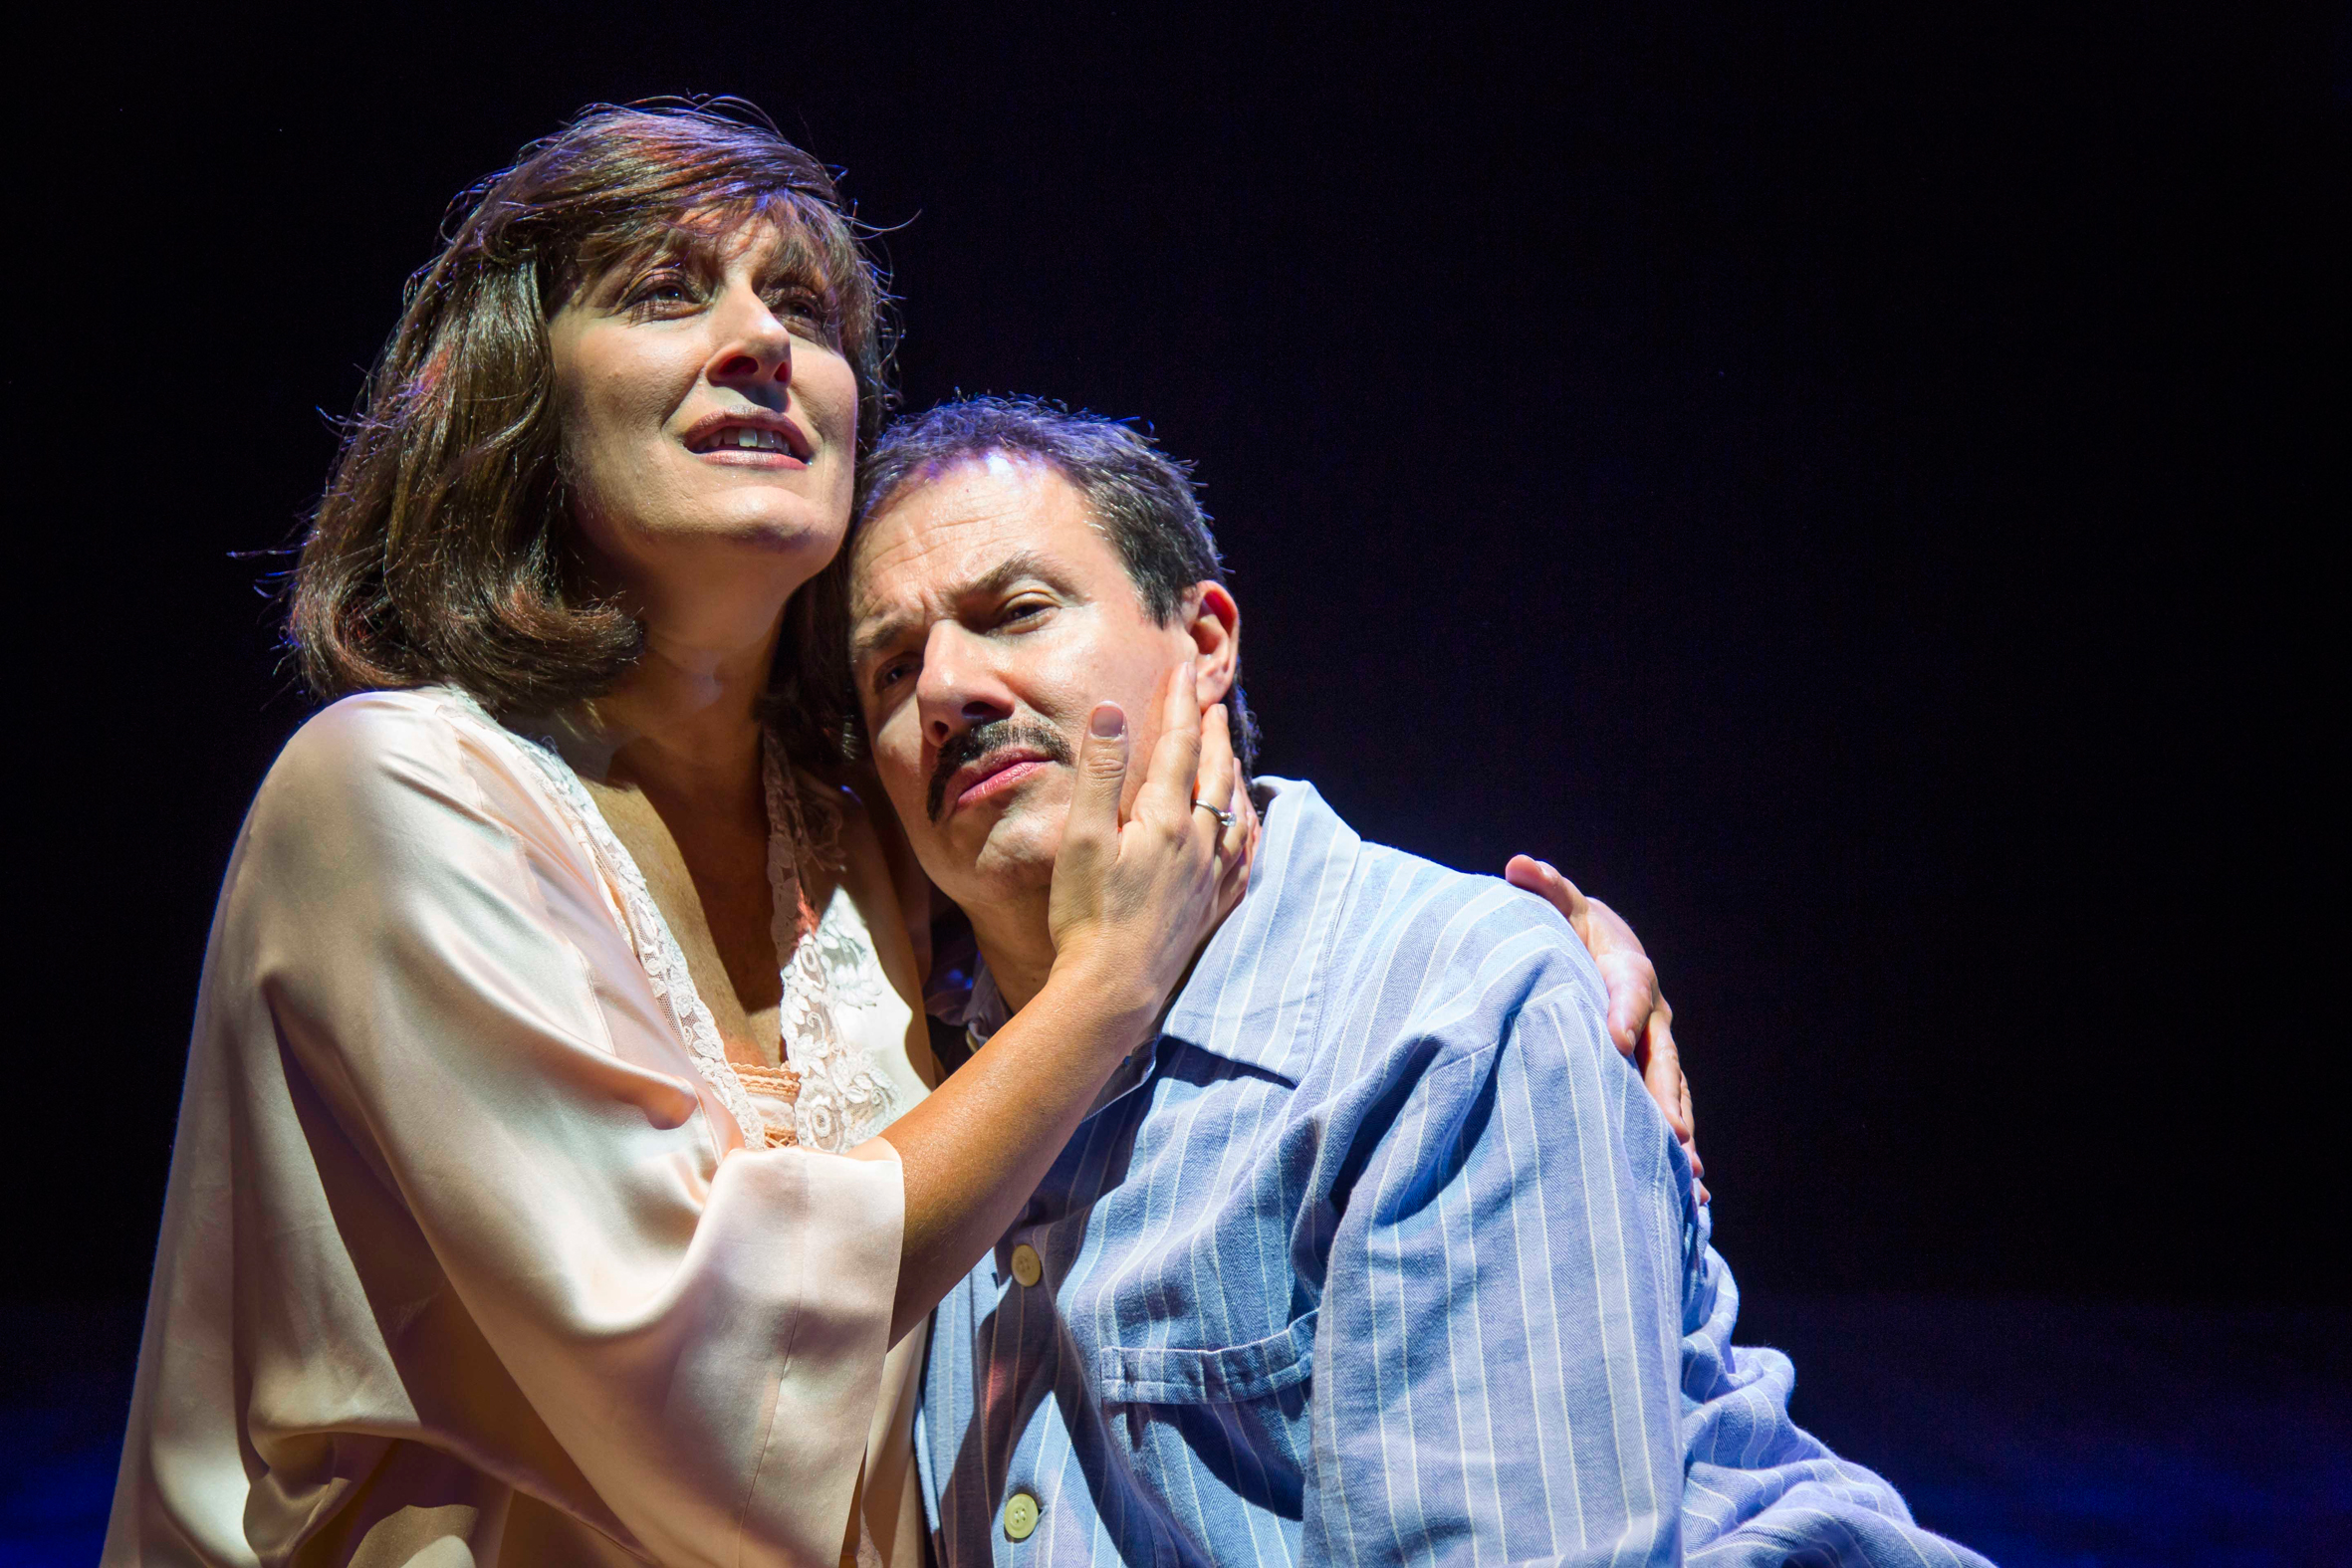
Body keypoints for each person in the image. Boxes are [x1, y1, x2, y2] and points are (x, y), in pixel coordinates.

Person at [105, 105, 1683, 1568]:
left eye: (802, 308)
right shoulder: (393, 794)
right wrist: (1106, 982)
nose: (758, 342)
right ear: (521, 394)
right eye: (665, 293)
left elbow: (1165, 847)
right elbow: (702, 1370)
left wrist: (1534, 967)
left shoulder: (855, 839)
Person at [841, 397, 1996, 1566]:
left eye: (1017, 612)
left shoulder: (1445, 1016)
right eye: (890, 669)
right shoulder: (896, 1072)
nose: (944, 689)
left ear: (1204, 643)